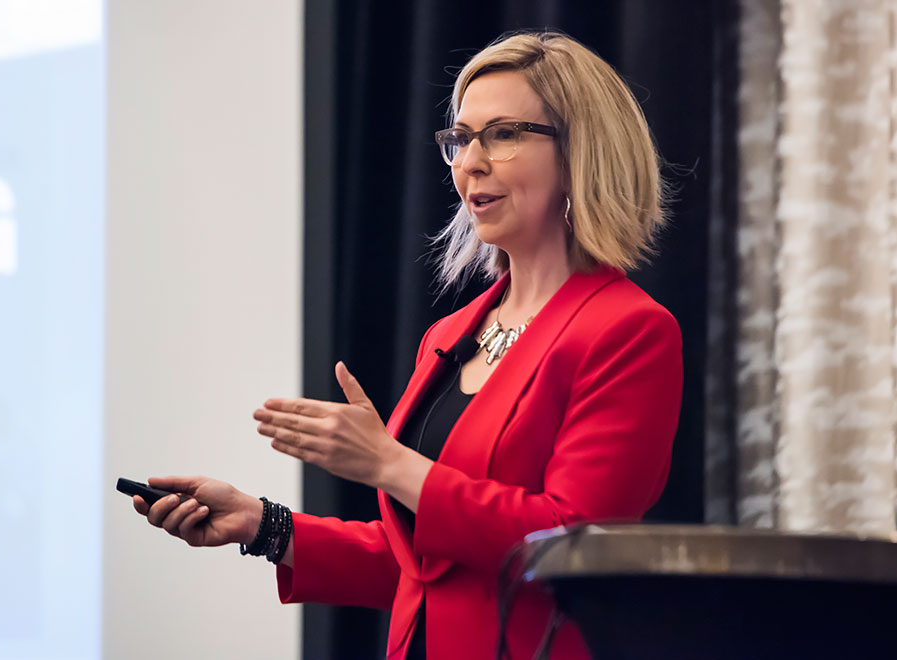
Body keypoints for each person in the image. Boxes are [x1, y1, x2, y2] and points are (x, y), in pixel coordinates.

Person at [132, 31, 682, 660]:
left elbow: (572, 545)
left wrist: (388, 464)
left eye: (502, 134)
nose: (469, 162)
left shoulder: (627, 331)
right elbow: (422, 569)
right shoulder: (449, 337)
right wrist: (263, 525)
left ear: (581, 152)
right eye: (461, 138)